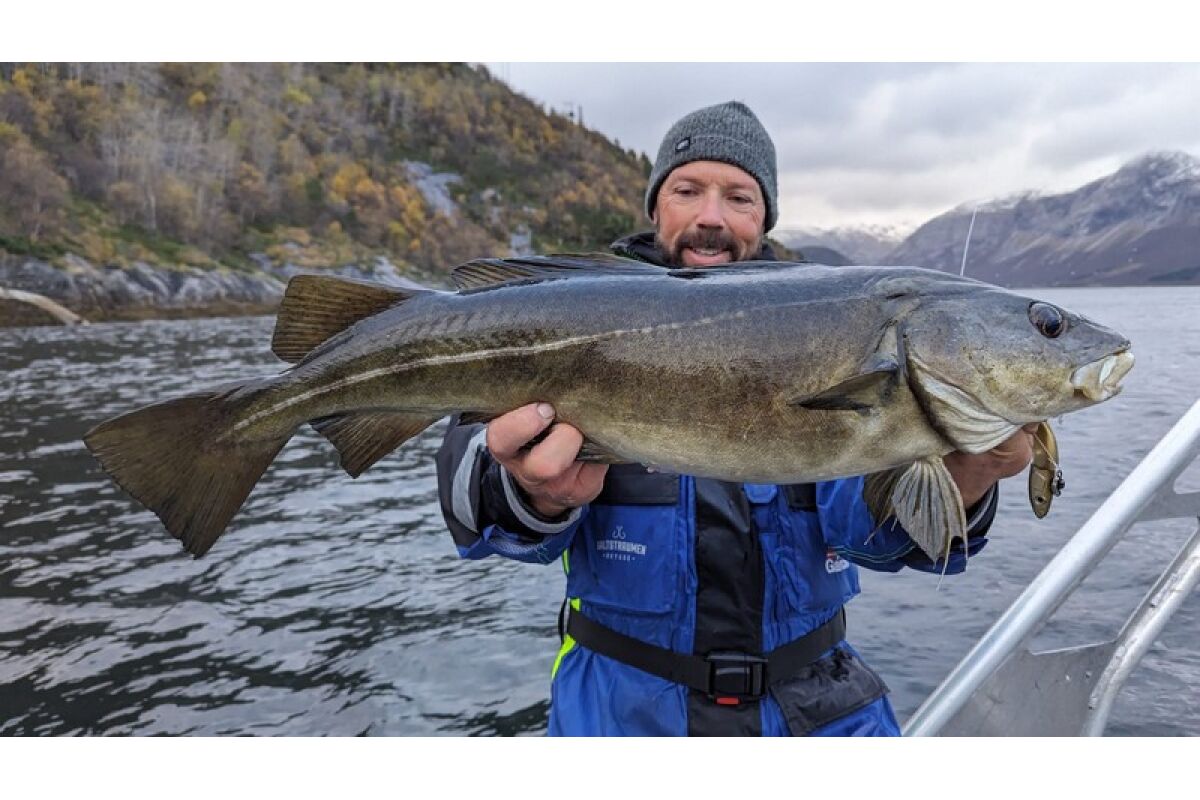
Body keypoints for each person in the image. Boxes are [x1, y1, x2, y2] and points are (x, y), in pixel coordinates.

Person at [436, 101, 1035, 736]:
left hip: (818, 708)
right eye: (687, 190)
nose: (711, 217)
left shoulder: (838, 330)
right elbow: (470, 503)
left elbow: (872, 538)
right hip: (619, 711)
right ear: (655, 208)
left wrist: (964, 483)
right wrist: (532, 491)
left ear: (765, 218)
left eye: (739, 197)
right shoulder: (568, 313)